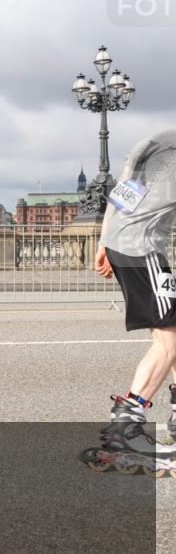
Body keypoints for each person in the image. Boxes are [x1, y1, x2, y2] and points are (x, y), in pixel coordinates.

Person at [87, 128, 176, 473]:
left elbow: (121, 195)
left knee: (171, 331)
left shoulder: (154, 142)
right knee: (168, 340)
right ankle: (126, 427)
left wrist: (104, 243)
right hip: (143, 248)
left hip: (126, 245)